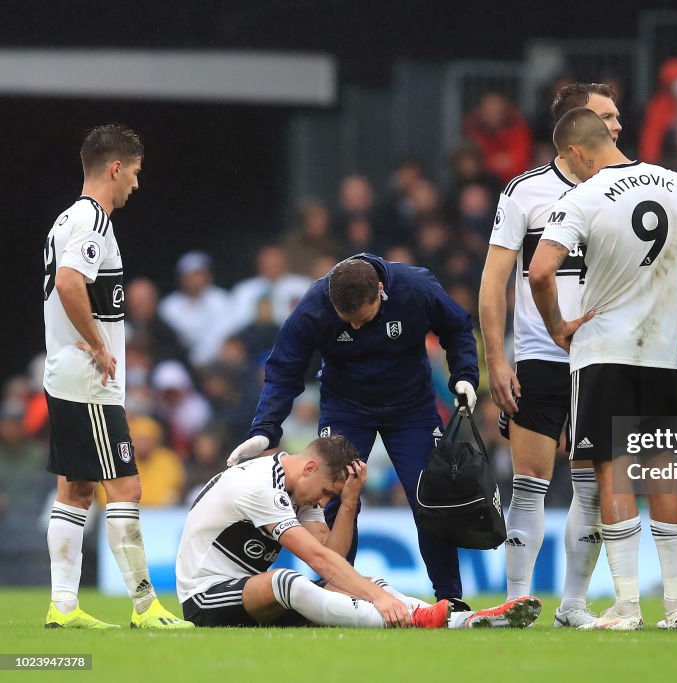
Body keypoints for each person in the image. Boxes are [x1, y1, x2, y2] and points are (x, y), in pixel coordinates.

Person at [530, 108, 677, 630]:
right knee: (664, 476)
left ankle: (627, 605)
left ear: (578, 151)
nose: (571, 169)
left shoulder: (580, 197)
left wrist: (558, 325)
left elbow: (540, 270)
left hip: (603, 353)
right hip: (660, 357)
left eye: (568, 160)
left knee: (614, 473)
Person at [226, 254, 479, 607]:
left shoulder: (415, 287)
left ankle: (450, 598)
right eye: (348, 322)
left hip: (412, 409)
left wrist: (465, 375)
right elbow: (284, 367)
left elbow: (457, 327)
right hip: (346, 410)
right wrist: (265, 429)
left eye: (363, 318)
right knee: (333, 498)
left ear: (381, 291)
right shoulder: (315, 305)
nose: (356, 328)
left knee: (429, 501)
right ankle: (335, 593)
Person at [479, 82, 623, 629]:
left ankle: (573, 605)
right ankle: (516, 599)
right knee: (530, 483)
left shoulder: (627, 190)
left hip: (603, 356)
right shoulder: (526, 191)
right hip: (540, 356)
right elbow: (494, 281)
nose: (617, 127)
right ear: (576, 128)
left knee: (589, 485)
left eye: (617, 117)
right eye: (607, 117)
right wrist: (498, 358)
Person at [41, 124, 192, 629]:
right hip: (87, 379)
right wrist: (102, 346)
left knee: (76, 490)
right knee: (125, 487)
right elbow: (69, 283)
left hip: (63, 372)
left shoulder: (63, 220)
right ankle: (146, 606)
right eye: (134, 172)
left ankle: (63, 608)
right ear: (114, 168)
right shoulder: (92, 221)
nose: (136, 183)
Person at [178, 435, 540, 628]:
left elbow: (332, 559)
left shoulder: (301, 491)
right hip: (205, 597)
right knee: (284, 581)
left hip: (248, 600)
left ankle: (464, 620)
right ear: (308, 468)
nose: (322, 500)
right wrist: (382, 602)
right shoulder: (260, 486)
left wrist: (348, 504)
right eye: (325, 492)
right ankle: (412, 619)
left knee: (366, 583)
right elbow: (317, 559)